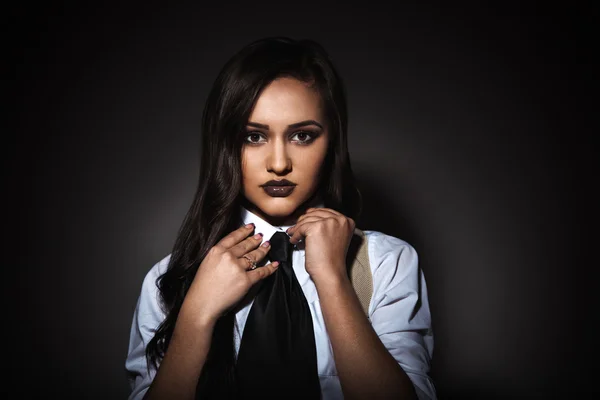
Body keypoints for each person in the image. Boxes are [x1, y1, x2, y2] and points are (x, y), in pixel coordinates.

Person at [125, 36, 436, 400]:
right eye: (253, 137)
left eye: (302, 136)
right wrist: (195, 317)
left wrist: (334, 279)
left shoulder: (387, 263)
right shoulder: (169, 279)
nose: (278, 164)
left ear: (332, 143)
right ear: (226, 145)